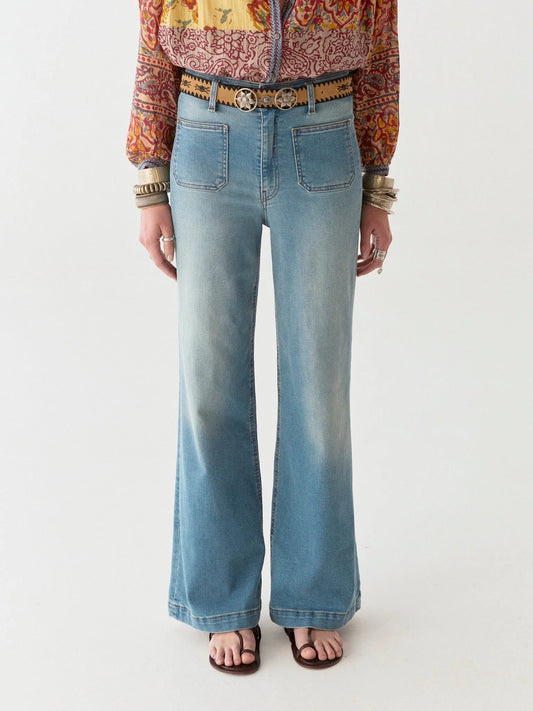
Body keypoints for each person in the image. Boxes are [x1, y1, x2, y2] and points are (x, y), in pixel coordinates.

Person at [126, 0, 400, 673]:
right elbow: (152, 45)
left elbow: (382, 57)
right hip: (207, 132)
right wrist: (150, 183)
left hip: (324, 132)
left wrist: (378, 188)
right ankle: (223, 601)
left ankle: (314, 593)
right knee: (208, 385)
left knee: (318, 388)